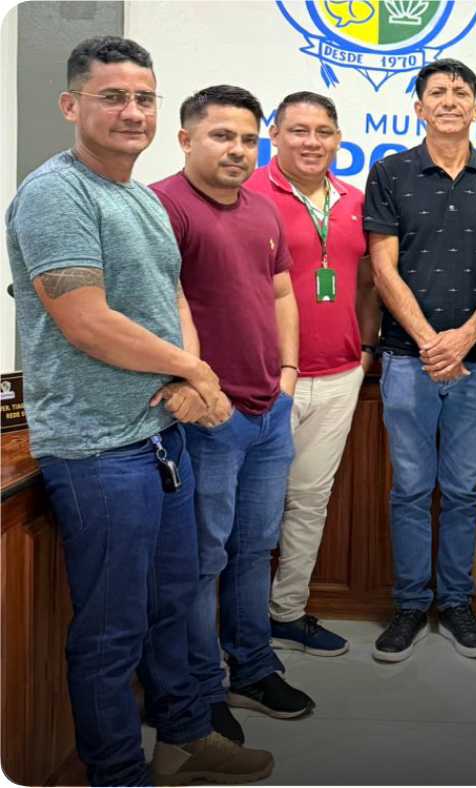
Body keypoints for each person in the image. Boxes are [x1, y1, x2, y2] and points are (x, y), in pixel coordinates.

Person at [6, 36, 272, 785]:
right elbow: (84, 319)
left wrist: (189, 380)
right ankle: (119, 775)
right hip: (95, 452)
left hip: (160, 438)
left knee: (168, 609)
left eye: (144, 98)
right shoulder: (56, 193)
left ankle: (185, 737)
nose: (132, 111)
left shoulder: (139, 198)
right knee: (110, 633)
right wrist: (194, 368)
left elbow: (172, 299)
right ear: (71, 105)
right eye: (112, 96)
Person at [153, 85, 313, 744]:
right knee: (202, 560)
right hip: (206, 417)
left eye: (248, 138)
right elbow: (152, 306)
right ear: (187, 139)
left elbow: (281, 292)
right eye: (222, 136)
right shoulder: (162, 206)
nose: (238, 150)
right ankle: (198, 689)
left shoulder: (264, 210)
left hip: (267, 411)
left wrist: (288, 375)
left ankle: (250, 666)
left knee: (253, 550)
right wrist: (184, 381)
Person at [363, 59, 476, 662]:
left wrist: (465, 336)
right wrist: (432, 341)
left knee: (463, 490)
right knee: (409, 489)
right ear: (418, 107)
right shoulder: (391, 173)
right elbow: (382, 266)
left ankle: (455, 602)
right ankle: (409, 604)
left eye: (461, 93)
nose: (450, 100)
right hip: (409, 361)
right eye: (437, 93)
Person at [244, 91, 379, 658]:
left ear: (339, 140)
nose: (311, 142)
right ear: (275, 135)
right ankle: (240, 628)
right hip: (264, 380)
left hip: (343, 373)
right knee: (250, 511)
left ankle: (287, 613)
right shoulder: (247, 193)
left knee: (309, 501)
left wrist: (367, 350)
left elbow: (369, 281)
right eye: (298, 130)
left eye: (323, 132)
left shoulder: (353, 199)